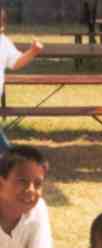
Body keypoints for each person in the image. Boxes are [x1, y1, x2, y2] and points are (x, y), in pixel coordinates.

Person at [0, 9, 43, 154]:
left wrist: (32, 52)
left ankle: (12, 159)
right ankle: (12, 158)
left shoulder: (3, 42)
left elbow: (16, 62)